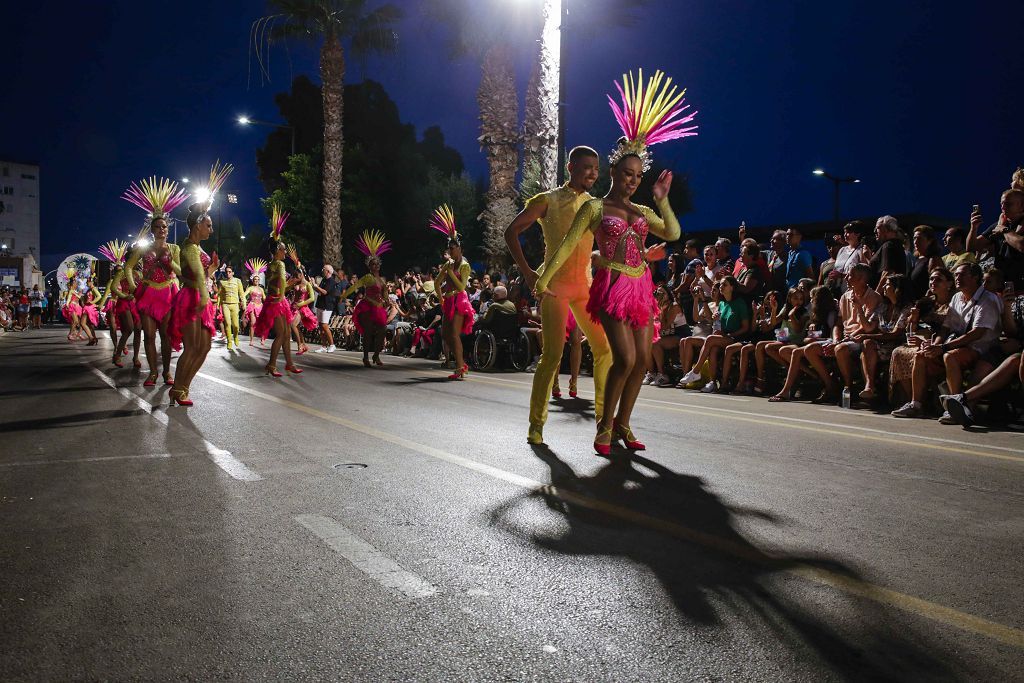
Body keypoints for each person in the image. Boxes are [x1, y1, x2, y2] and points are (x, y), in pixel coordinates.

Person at [534, 68, 693, 455]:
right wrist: (543, 278)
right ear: (614, 171)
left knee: (641, 361)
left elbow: (672, 233)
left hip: (640, 287)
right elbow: (569, 244)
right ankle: (604, 426)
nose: (633, 180)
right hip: (609, 285)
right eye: (627, 173)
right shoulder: (594, 206)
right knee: (623, 357)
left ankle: (623, 424)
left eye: (639, 175)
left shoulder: (641, 209)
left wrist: (662, 199)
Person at [505, 145, 613, 444]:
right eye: (587, 166)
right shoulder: (548, 200)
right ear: (570, 168)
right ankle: (536, 425)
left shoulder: (596, 205)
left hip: (586, 289)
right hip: (555, 287)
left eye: (596, 167)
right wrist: (528, 273)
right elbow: (511, 231)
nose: (593, 172)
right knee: (552, 355)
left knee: (605, 351)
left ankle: (605, 423)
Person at [892, 262, 1002, 419]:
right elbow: (946, 328)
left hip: (980, 348)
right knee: (921, 355)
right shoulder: (957, 297)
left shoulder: (988, 299)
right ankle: (916, 404)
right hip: (955, 344)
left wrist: (943, 347)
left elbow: (977, 334)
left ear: (975, 278)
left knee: (950, 356)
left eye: (962, 274)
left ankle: (956, 405)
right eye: (956, 274)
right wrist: (934, 344)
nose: (957, 277)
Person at [122, 176, 189, 386]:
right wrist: (134, 287)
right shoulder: (143, 249)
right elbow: (128, 266)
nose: (162, 229)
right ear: (153, 229)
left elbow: (179, 272)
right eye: (159, 227)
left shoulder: (175, 248)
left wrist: (170, 262)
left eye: (165, 227)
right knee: (149, 335)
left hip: (168, 293)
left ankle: (167, 372)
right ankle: (152, 373)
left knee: (166, 336)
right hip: (148, 293)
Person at [167, 199, 224, 406]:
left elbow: (198, 275)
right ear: (198, 225)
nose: (211, 229)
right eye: (208, 225)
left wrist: (214, 268)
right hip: (192, 299)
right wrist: (204, 293)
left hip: (201, 297)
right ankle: (178, 388)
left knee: (205, 347)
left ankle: (182, 388)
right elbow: (197, 276)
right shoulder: (190, 248)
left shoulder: (197, 249)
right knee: (191, 348)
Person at [802, 263, 881, 403]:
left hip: (858, 338)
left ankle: (848, 387)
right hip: (844, 337)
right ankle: (830, 384)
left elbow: (867, 328)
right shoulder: (845, 296)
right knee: (810, 349)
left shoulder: (873, 297)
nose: (846, 277)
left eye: (850, 275)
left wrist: (841, 342)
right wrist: (836, 339)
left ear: (862, 279)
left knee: (841, 349)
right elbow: (838, 324)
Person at [254, 203, 302, 377]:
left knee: (287, 332)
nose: (285, 252)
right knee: (282, 334)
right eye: (283, 249)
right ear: (277, 251)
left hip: (276, 300)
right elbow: (281, 283)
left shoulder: (271, 264)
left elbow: (278, 284)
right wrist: (283, 293)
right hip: (277, 302)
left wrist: (290, 284)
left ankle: (289, 363)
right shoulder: (279, 264)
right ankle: (272, 364)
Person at [430, 206, 475, 379]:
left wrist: (450, 273)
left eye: (453, 248)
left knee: (454, 334)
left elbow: (462, 286)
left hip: (459, 300)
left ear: (459, 249)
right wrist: (441, 299)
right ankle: (461, 364)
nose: (450, 251)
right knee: (445, 334)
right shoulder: (448, 265)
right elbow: (436, 282)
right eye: (449, 248)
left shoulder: (464, 265)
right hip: (448, 301)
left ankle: (460, 366)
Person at [856, 273, 914, 400]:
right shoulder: (883, 306)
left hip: (896, 343)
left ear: (897, 289)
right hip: (881, 344)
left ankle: (873, 388)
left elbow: (895, 334)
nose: (883, 287)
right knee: (867, 345)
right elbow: (869, 327)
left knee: (866, 347)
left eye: (887, 285)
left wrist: (866, 336)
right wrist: (859, 308)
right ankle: (870, 386)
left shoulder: (907, 308)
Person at [341, 229, 393, 367]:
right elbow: (354, 287)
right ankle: (365, 357)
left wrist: (386, 300)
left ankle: (376, 355)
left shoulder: (381, 280)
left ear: (379, 265)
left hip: (379, 307)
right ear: (369, 266)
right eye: (372, 264)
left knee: (382, 331)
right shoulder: (368, 277)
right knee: (368, 333)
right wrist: (343, 295)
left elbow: (385, 293)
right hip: (368, 307)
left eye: (377, 264)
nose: (375, 266)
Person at [313, 264, 343, 353]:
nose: (322, 270)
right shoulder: (324, 280)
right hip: (320, 304)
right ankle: (323, 346)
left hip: (327, 305)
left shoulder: (331, 281)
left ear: (328, 271)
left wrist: (316, 286)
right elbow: (320, 291)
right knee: (321, 326)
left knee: (325, 325)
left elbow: (325, 292)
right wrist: (314, 286)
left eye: (324, 269)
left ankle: (332, 344)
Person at [908, 225, 945, 299]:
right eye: (914, 238)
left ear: (930, 241)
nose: (915, 241)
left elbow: (936, 285)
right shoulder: (917, 259)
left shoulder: (933, 259)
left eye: (919, 238)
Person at [869, 215, 908, 286]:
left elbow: (888, 272)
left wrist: (877, 293)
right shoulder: (897, 245)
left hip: (884, 294)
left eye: (877, 228)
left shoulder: (888, 246)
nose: (875, 231)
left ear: (885, 229)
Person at [217, 264, 246, 351]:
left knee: (236, 325)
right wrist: (218, 306)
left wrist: (244, 303)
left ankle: (236, 336)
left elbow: (241, 293)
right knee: (228, 323)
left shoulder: (238, 281)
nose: (228, 273)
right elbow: (220, 295)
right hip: (225, 304)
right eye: (227, 272)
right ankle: (229, 341)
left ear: (233, 273)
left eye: (230, 272)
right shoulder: (222, 282)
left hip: (235, 305)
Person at [243, 258, 268, 346]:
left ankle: (262, 339)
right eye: (255, 280)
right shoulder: (250, 288)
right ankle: (251, 340)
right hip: (252, 306)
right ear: (252, 280)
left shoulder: (261, 289)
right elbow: (243, 295)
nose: (256, 281)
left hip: (260, 306)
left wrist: (268, 303)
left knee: (263, 323)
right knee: (253, 323)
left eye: (258, 280)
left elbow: (264, 298)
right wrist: (244, 300)